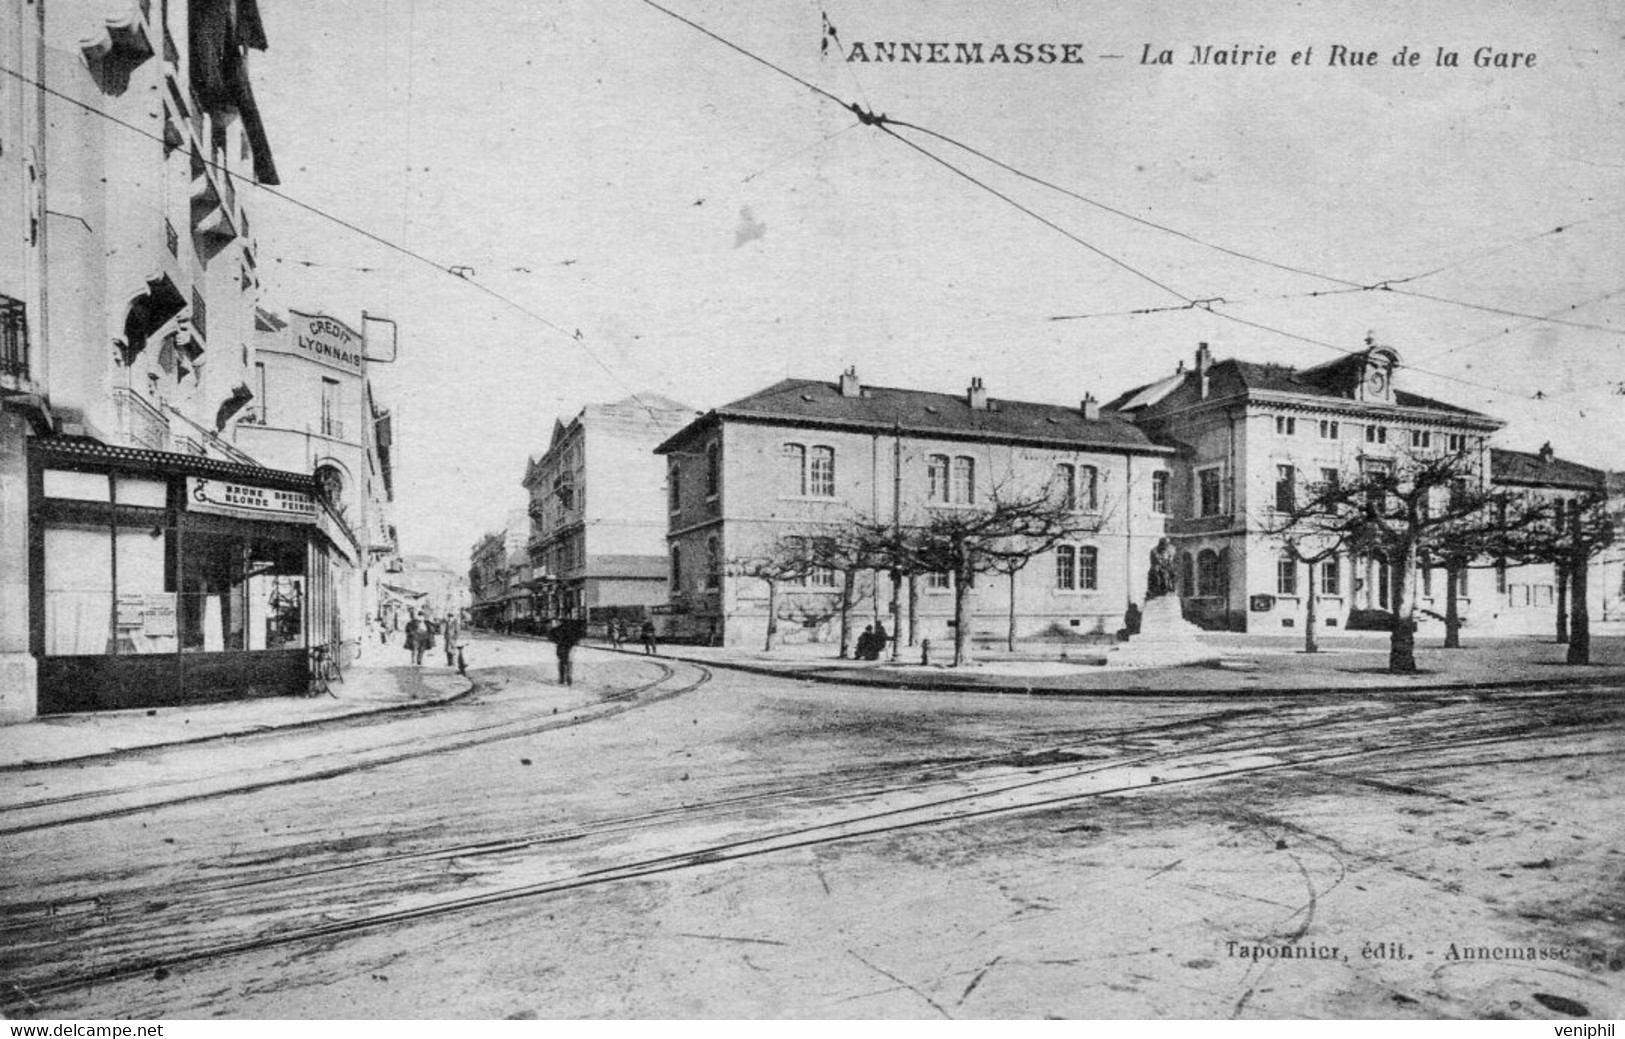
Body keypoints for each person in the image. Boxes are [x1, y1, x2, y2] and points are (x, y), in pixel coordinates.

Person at [553, 618, 582, 685]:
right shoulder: (573, 629)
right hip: (570, 646)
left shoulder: (558, 629)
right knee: (569, 662)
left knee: (562, 662)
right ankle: (568, 677)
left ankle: (562, 678)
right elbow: (578, 637)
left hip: (561, 647)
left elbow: (552, 636)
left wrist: (557, 641)